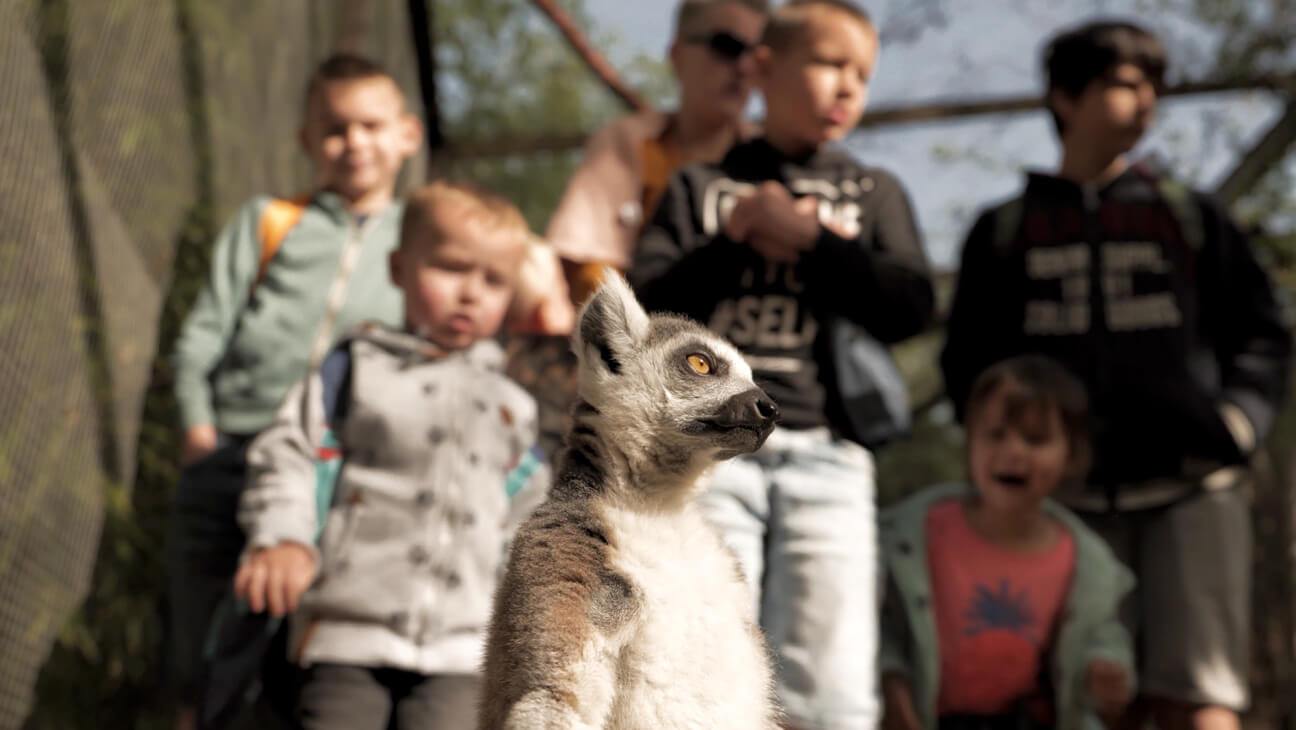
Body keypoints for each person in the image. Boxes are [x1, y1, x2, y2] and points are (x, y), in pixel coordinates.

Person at [940, 20, 1292, 730]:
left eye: (1154, 88)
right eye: (1125, 84)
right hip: (1060, 504)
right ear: (1064, 97)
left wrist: (1237, 422)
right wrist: (1009, 458)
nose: (1146, 103)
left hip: (1193, 486)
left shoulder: (1191, 218)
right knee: (1091, 694)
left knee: (1202, 692)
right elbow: (967, 363)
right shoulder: (1005, 231)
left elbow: (1262, 333)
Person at [629, 2, 934, 727]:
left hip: (828, 454)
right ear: (765, 69)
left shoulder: (873, 193)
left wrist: (815, 243)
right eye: (830, 63)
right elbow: (643, 317)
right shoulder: (698, 188)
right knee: (698, 655)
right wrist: (735, 240)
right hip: (707, 453)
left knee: (829, 679)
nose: (847, 87)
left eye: (862, 74)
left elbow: (913, 307)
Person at [233, 181, 549, 730]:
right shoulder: (354, 370)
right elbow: (292, 451)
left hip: (463, 649)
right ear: (400, 268)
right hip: (344, 632)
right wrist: (282, 536)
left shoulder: (514, 409)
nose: (471, 293)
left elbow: (531, 519)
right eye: (451, 268)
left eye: (494, 280)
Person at [167, 52, 423, 727]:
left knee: (292, 661)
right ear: (308, 141)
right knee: (199, 658)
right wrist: (200, 433)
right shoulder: (271, 221)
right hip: (232, 450)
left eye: (371, 125)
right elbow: (202, 335)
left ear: (407, 135)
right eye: (335, 128)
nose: (354, 143)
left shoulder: (420, 246)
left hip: (334, 470)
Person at [880, 355, 1135, 730]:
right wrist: (891, 684)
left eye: (1035, 439)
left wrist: (1107, 672)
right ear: (969, 439)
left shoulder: (1089, 565)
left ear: (1073, 455)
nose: (1013, 451)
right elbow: (877, 624)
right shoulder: (910, 535)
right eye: (996, 434)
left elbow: (1104, 637)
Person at [539, 0, 769, 318]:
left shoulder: (774, 161)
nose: (744, 67)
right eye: (726, 46)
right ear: (676, 55)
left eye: (758, 56)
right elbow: (583, 267)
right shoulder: (625, 143)